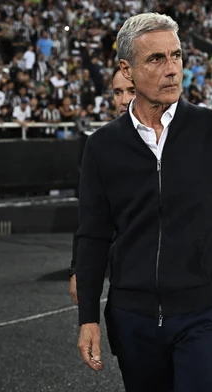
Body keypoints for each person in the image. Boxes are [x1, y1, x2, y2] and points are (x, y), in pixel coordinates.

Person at [76, 13, 212, 392]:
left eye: (176, 56)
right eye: (156, 59)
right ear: (126, 70)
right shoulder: (102, 146)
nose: (172, 69)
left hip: (202, 311)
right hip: (131, 317)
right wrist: (88, 317)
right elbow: (92, 235)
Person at [69, 67, 136, 304]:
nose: (124, 100)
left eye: (131, 91)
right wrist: (78, 267)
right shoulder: (101, 145)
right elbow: (90, 217)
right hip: (126, 276)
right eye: (118, 92)